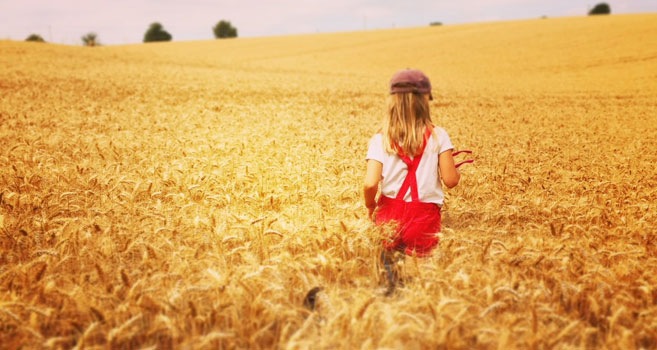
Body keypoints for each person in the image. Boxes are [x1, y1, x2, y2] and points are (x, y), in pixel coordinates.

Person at [363, 69, 461, 260]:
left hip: (388, 215)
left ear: (392, 101)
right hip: (424, 218)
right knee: (420, 275)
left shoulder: (380, 139)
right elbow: (450, 180)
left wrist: (370, 205)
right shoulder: (438, 135)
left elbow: (370, 183)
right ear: (425, 101)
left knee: (387, 265)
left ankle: (391, 287)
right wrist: (456, 171)